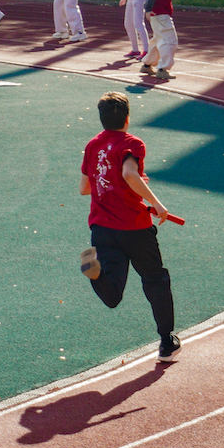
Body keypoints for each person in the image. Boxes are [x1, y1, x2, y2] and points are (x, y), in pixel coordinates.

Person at [79, 90, 180, 363]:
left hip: (102, 229)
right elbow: (128, 173)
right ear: (127, 119)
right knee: (155, 279)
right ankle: (166, 341)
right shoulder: (131, 143)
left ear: (102, 119)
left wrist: (109, 186)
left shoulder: (92, 145)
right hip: (135, 227)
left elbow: (84, 188)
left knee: (112, 294)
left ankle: (95, 273)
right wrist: (157, 204)